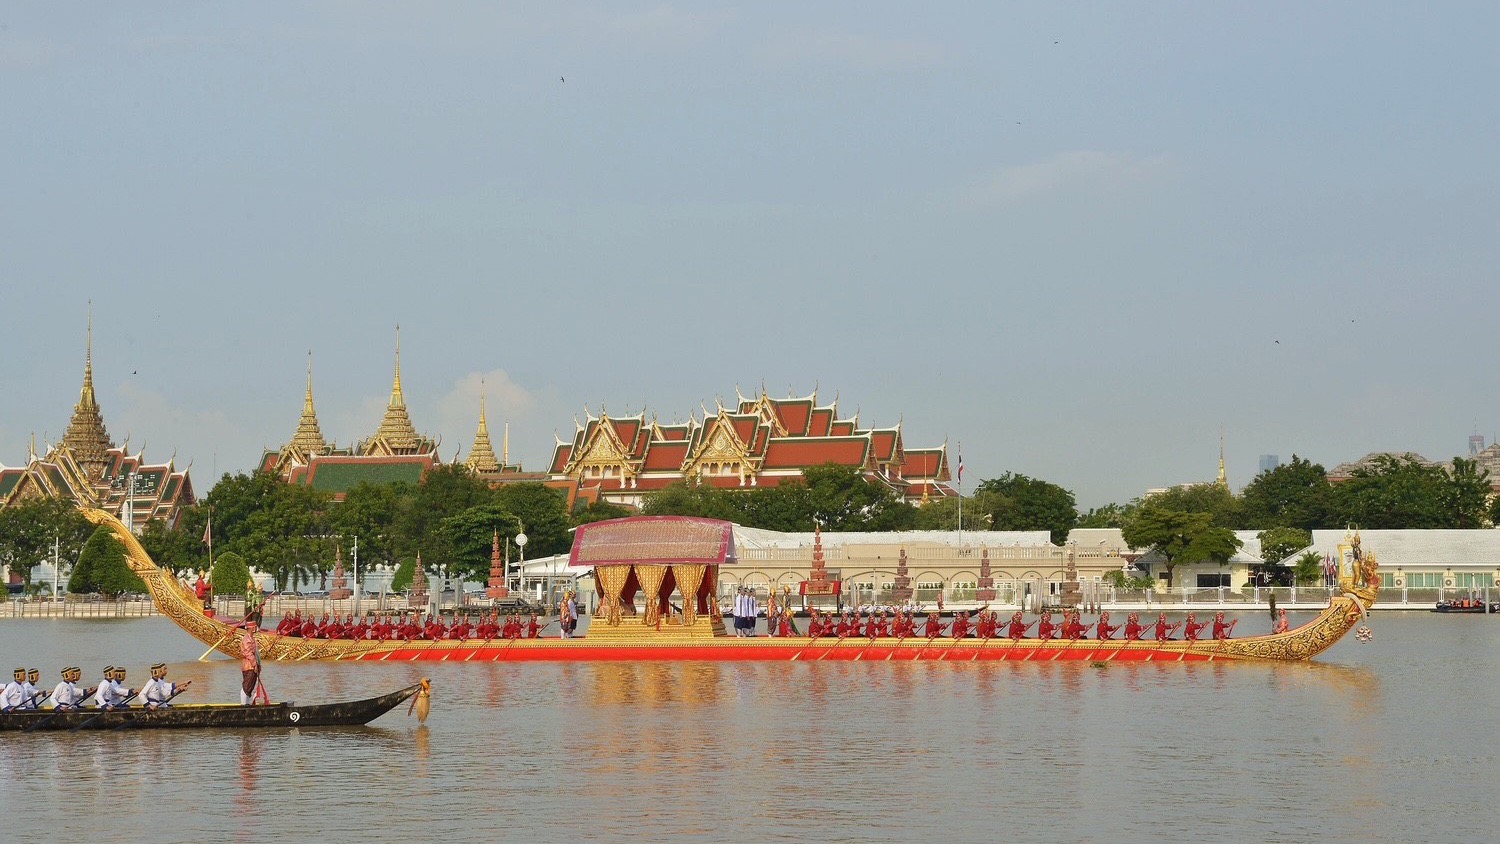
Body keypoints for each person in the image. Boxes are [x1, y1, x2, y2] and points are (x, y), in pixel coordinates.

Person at [239, 624, 265, 706]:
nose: (256, 628)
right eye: (255, 627)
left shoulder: (251, 638)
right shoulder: (246, 639)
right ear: (252, 628)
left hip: (252, 665)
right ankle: (243, 704)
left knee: (250, 686)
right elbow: (248, 653)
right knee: (247, 685)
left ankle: (247, 703)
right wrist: (254, 664)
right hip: (249, 665)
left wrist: (258, 665)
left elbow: (256, 653)